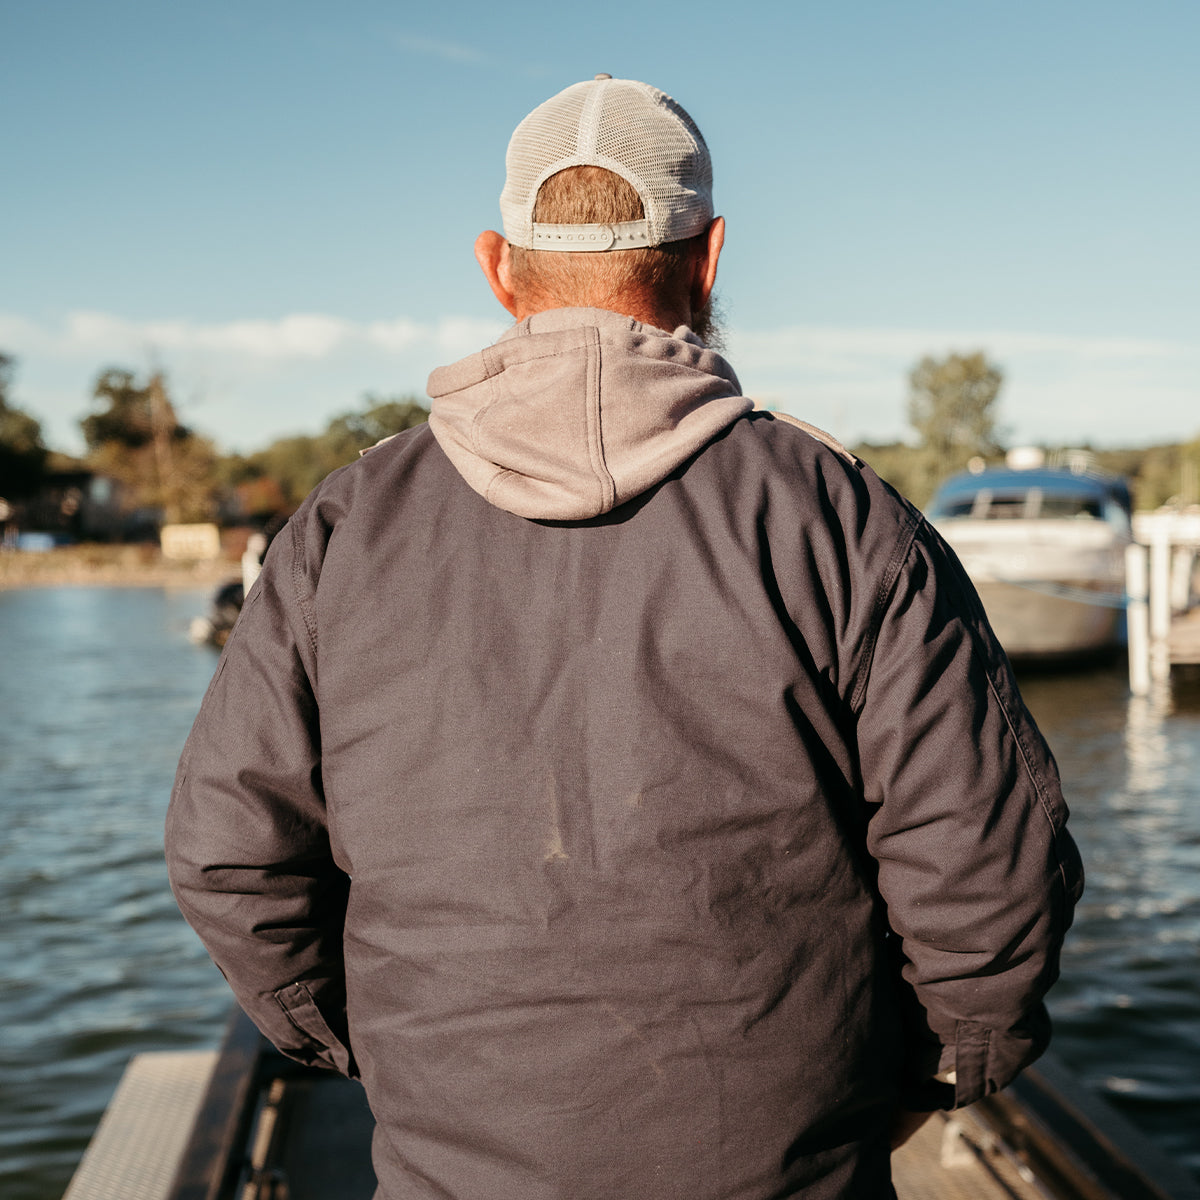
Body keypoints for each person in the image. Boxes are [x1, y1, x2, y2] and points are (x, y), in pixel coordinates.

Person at [166, 75, 1082, 1199]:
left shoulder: (343, 530)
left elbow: (228, 852)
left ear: (499, 268)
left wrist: (385, 1053)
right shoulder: (842, 516)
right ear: (709, 259)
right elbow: (990, 869)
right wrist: (926, 1075)